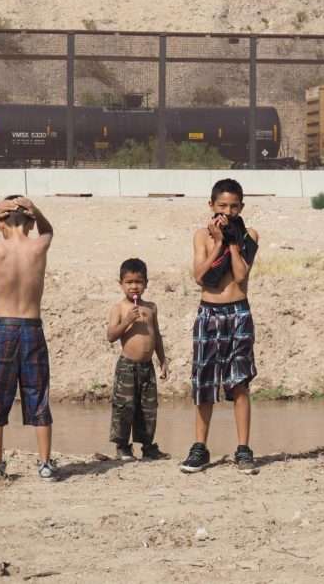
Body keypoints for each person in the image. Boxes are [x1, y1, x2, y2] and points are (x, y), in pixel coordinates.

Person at [0, 195, 57, 481]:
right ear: (30, 222)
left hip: (3, 328)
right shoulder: (38, 246)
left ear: (0, 224)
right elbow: (49, 231)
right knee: (38, 393)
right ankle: (45, 464)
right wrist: (38, 211)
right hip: (32, 328)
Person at [180, 178, 260, 475]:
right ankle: (200, 447)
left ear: (241, 207)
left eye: (234, 206)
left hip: (238, 312)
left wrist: (232, 242)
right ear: (211, 205)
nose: (227, 211)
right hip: (209, 313)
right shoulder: (201, 236)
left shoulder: (248, 234)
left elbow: (240, 276)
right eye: (222, 205)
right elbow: (200, 276)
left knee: (239, 382)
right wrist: (217, 244)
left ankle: (243, 449)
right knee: (204, 382)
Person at [105, 258, 170, 461]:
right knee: (125, 407)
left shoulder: (151, 307)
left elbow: (156, 335)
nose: (134, 286)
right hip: (127, 368)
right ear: (121, 284)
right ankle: (123, 447)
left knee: (148, 408)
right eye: (129, 282)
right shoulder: (120, 308)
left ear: (146, 283)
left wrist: (162, 360)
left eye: (139, 281)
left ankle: (148, 446)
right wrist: (127, 321)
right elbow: (111, 336)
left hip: (147, 367)